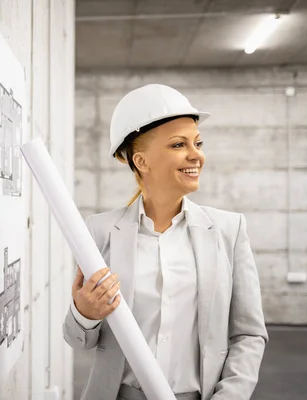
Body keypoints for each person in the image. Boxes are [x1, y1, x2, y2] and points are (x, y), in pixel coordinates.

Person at [63, 84, 268, 400]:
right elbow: (78, 341)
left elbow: (249, 334)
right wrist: (85, 313)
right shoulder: (100, 231)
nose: (195, 154)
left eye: (197, 143)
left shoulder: (229, 230)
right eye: (178, 144)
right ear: (142, 161)